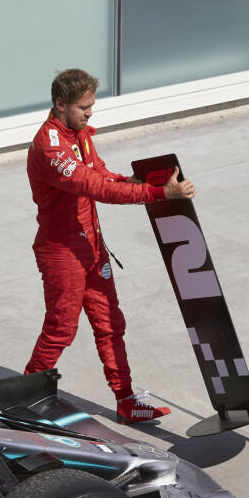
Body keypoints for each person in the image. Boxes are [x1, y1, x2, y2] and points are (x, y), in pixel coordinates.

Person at [24, 68, 196, 424]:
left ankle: (126, 400)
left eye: (92, 106)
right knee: (61, 329)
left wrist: (131, 180)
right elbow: (95, 188)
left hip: (92, 247)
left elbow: (101, 174)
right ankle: (22, 399)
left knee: (110, 324)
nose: (90, 113)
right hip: (62, 252)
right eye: (84, 107)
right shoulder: (50, 147)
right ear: (60, 104)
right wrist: (158, 193)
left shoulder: (80, 135)